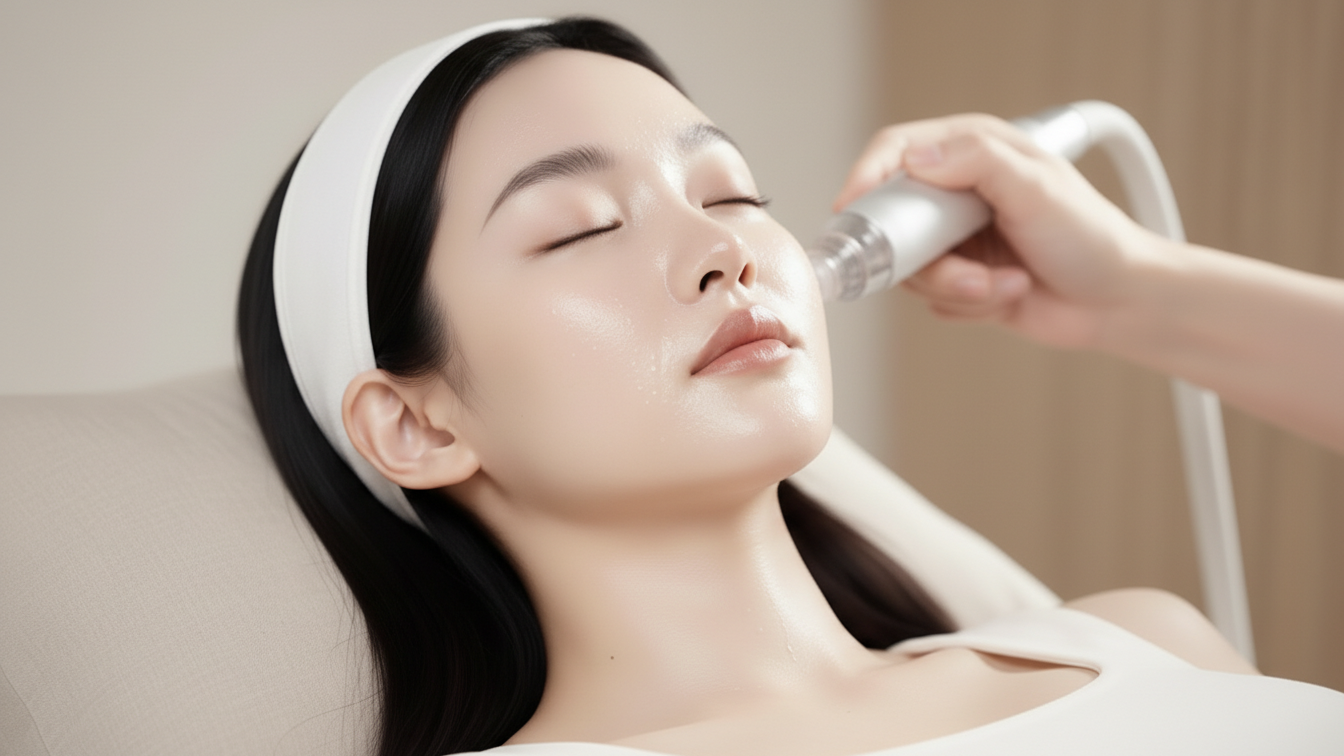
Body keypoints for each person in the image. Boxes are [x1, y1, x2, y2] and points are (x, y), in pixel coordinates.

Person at [235, 16, 1344, 756]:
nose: (728, 252)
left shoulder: (1139, 639)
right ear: (416, 423)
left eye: (729, 193)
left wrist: (1144, 293)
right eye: (584, 227)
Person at [834, 115, 1344, 455]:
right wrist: (1125, 294)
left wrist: (1129, 284)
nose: (749, 263)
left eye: (753, 205)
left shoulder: (1147, 620)